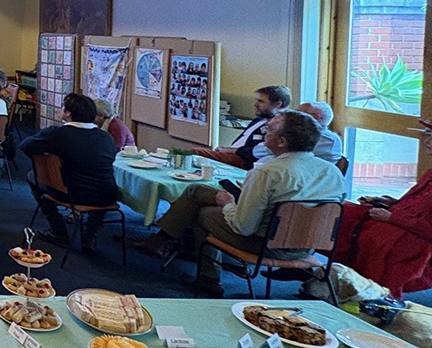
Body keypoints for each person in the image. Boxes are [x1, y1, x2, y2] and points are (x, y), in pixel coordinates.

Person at [143, 111, 345, 296]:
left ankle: (206, 276)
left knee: (203, 213)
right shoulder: (332, 172)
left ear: (282, 141)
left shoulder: (267, 172)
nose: (265, 132)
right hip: (309, 246)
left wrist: (228, 204)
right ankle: (161, 239)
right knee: (196, 191)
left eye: (269, 130)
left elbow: (243, 227)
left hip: (266, 244)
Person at [332, 117, 432, 297]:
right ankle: (305, 259)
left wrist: (391, 217)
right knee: (340, 210)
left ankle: (373, 297)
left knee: (376, 239)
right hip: (400, 221)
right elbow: (416, 203)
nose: (428, 141)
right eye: (428, 134)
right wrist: (388, 202)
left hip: (417, 237)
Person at [20, 92, 119, 249]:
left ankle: (58, 231)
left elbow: (26, 146)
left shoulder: (57, 134)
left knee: (34, 176)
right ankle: (89, 232)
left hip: (73, 194)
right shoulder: (105, 137)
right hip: (108, 195)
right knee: (99, 186)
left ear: (68, 113)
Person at [192, 85, 291, 169]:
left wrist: (229, 150)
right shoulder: (259, 119)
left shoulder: (280, 126)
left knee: (196, 152)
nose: (255, 104)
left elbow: (260, 151)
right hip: (232, 153)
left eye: (261, 101)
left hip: (247, 160)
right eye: (256, 100)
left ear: (278, 104)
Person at [252, 101, 340, 166]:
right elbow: (257, 151)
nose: (294, 116)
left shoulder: (326, 139)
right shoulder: (299, 133)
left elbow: (265, 149)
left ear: (316, 117)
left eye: (299, 113)